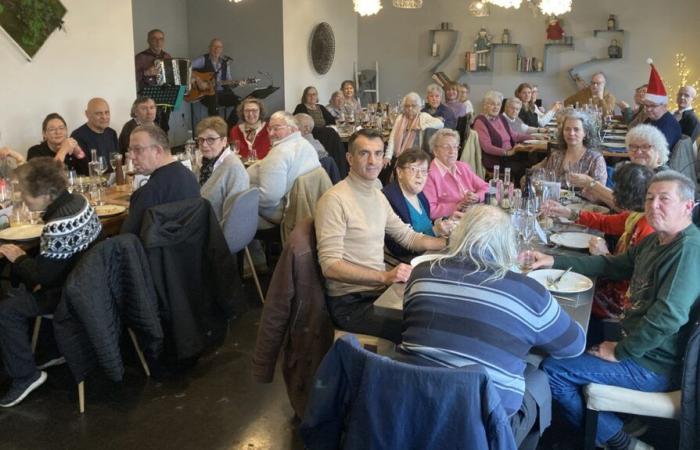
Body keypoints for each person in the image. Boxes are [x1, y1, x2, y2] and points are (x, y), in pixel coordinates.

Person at [533, 171, 700, 450]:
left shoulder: (687, 250)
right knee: (570, 347)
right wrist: (553, 260)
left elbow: (667, 317)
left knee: (552, 370)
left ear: (688, 206)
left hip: (654, 364)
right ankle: (612, 423)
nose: (653, 205)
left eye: (664, 199)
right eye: (649, 198)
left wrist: (620, 351)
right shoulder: (657, 240)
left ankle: (618, 440)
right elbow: (611, 265)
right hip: (638, 346)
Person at [400, 204, 585, 447]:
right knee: (538, 380)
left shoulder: (422, 273)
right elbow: (574, 346)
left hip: (410, 407)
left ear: (459, 235)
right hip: (482, 427)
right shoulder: (529, 293)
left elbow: (409, 316)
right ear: (509, 245)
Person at [315, 129, 446, 343]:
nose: (373, 160)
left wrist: (449, 244)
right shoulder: (334, 200)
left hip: (378, 292)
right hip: (351, 303)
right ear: (349, 158)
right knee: (424, 327)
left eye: (378, 153)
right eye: (364, 153)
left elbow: (407, 236)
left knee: (435, 310)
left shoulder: (376, 195)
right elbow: (330, 266)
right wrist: (384, 276)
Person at [0, 158, 102, 407]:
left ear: (46, 194)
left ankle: (26, 376)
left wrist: (19, 257)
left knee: (6, 308)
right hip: (94, 283)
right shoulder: (79, 201)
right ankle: (55, 348)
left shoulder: (58, 224)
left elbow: (43, 277)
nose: (22, 198)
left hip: (72, 295)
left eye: (25, 193)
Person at [544, 163, 655, 324]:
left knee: (557, 297)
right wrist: (568, 212)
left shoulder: (646, 227)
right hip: (613, 281)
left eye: (617, 188)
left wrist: (604, 254)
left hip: (622, 301)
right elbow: (606, 222)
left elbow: (631, 275)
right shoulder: (637, 215)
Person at [120, 125, 200, 235]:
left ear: (157, 151)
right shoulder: (190, 177)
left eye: (138, 150)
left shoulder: (146, 194)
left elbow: (126, 241)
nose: (131, 156)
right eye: (130, 150)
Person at [247, 111, 320, 227]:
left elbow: (269, 198)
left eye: (276, 128)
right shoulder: (305, 144)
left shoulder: (279, 154)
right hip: (307, 207)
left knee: (231, 203)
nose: (271, 133)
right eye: (269, 128)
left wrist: (243, 193)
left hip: (283, 212)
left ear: (293, 129)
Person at [568, 124, 669, 208]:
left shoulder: (661, 178)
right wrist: (599, 197)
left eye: (645, 147)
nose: (638, 151)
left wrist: (591, 183)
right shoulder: (635, 171)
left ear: (658, 150)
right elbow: (620, 202)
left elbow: (627, 208)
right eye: (633, 147)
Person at [381, 149, 455, 258]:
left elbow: (427, 222)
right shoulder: (388, 198)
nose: (420, 175)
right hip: (411, 260)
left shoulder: (419, 194)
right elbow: (399, 248)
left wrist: (443, 222)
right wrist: (435, 231)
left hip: (432, 250)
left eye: (424, 171)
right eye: (413, 169)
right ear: (400, 172)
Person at [533, 110, 607, 193]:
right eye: (567, 129)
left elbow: (601, 195)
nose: (571, 133)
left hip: (585, 205)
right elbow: (547, 186)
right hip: (556, 203)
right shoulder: (555, 156)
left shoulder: (595, 159)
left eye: (576, 129)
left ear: (585, 133)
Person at [423, 128, 489, 219]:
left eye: (455, 147)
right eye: (446, 147)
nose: (452, 151)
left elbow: (487, 187)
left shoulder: (462, 167)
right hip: (452, 221)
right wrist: (457, 206)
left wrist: (477, 197)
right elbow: (431, 211)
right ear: (435, 151)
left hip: (474, 212)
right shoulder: (429, 175)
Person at [196, 116, 249, 225]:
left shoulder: (233, 168)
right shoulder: (205, 163)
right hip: (201, 220)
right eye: (201, 140)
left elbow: (234, 216)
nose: (204, 145)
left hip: (215, 230)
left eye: (210, 139)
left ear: (224, 141)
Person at [473, 90, 530, 179]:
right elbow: (487, 147)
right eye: (492, 104)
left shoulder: (500, 118)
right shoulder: (480, 121)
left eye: (498, 104)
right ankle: (517, 190)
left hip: (509, 157)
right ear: (484, 105)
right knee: (525, 168)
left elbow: (514, 136)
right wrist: (507, 152)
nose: (496, 107)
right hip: (496, 161)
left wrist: (533, 137)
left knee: (531, 160)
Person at [385, 92, 444, 165]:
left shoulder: (423, 116)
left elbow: (440, 124)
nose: (410, 108)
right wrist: (388, 156)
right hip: (400, 155)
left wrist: (422, 126)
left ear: (419, 107)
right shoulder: (400, 118)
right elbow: (392, 138)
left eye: (413, 106)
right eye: (407, 106)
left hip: (417, 157)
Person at [134, 29, 172, 131]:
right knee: (151, 127)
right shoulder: (140, 57)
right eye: (154, 39)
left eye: (161, 39)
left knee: (165, 125)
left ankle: (164, 146)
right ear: (148, 41)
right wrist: (146, 73)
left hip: (165, 96)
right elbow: (131, 78)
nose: (158, 41)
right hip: (147, 96)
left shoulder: (167, 57)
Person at [191, 38, 238, 118]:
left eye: (219, 47)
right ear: (209, 48)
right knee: (213, 104)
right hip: (206, 94)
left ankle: (228, 127)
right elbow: (186, 68)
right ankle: (217, 128)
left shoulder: (225, 63)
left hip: (222, 93)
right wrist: (198, 80)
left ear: (222, 49)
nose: (217, 49)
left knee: (239, 104)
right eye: (214, 46)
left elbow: (229, 81)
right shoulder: (203, 59)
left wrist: (236, 84)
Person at [641, 61, 682, 150]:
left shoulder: (668, 125)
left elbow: (658, 154)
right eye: (646, 105)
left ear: (664, 106)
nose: (648, 109)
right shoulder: (651, 119)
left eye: (652, 106)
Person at [70, 98, 119, 171]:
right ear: (87, 114)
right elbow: (83, 169)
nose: (104, 117)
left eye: (107, 112)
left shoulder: (112, 133)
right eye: (99, 113)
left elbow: (117, 162)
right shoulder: (77, 136)